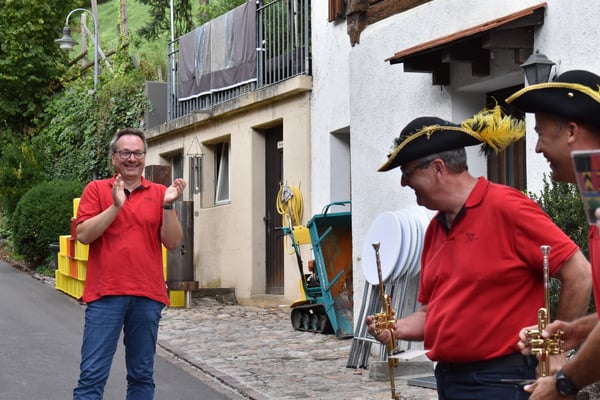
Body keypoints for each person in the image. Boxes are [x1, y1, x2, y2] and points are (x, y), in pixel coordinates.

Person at [365, 107, 591, 400]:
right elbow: (432, 314)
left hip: (500, 381)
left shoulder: (508, 208)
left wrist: (556, 348)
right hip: (448, 378)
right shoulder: (435, 229)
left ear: (437, 168)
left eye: (407, 173)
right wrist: (395, 328)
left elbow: (580, 274)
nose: (403, 183)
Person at [507, 69, 600, 399]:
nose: (536, 149)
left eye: (540, 134)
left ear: (572, 131)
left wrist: (563, 383)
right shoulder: (595, 191)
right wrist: (578, 329)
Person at [73, 128, 186, 399]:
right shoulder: (96, 189)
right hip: (105, 295)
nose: (132, 158)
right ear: (114, 157)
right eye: (125, 153)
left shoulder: (160, 193)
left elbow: (172, 242)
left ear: (145, 157)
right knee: (92, 375)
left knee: (141, 375)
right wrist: (115, 206)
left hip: (147, 296)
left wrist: (168, 206)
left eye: (137, 153)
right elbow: (83, 235)